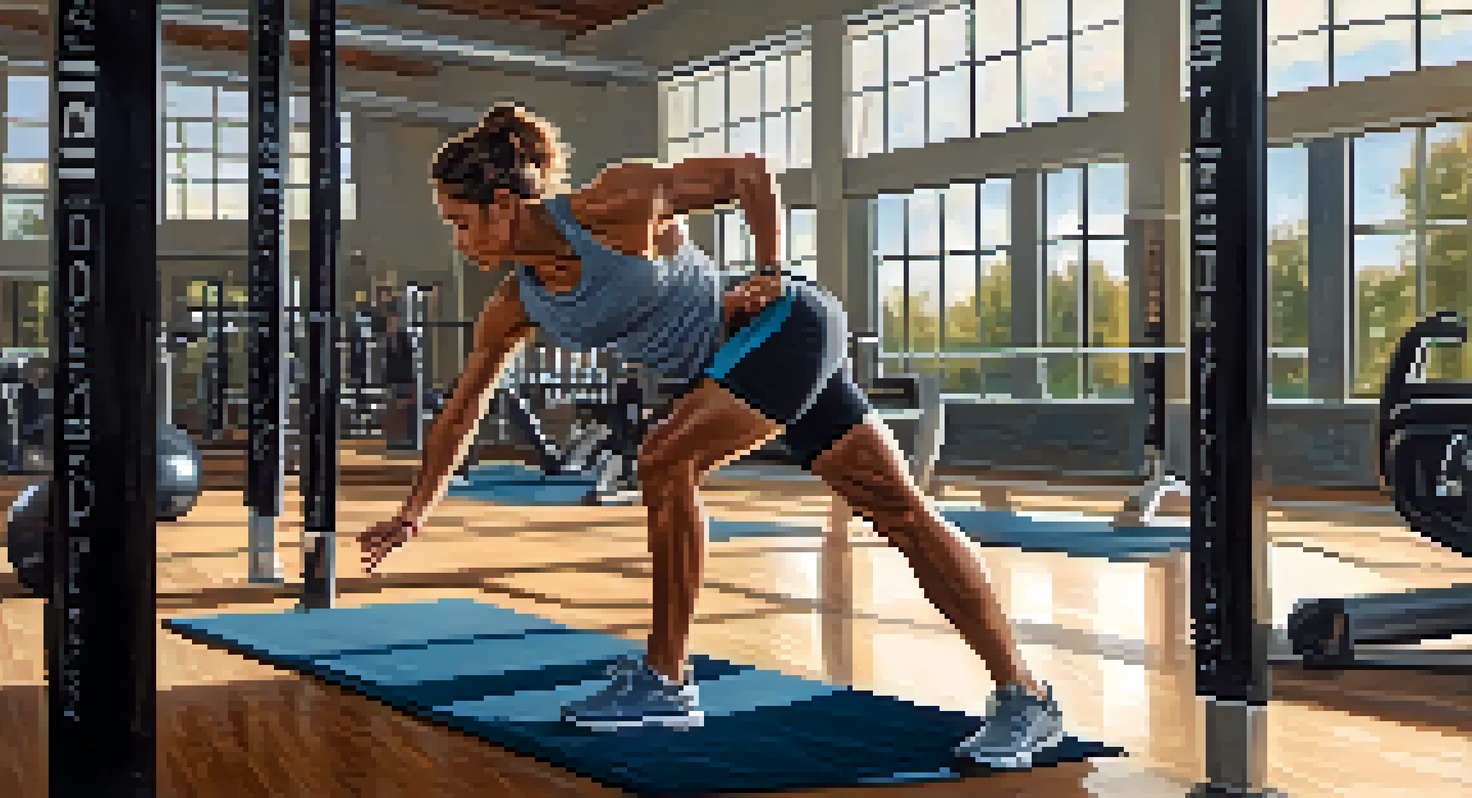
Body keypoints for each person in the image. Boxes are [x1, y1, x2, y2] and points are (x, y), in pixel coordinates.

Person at [360, 103, 1064, 769]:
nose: (457, 240)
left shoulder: (612, 205)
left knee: (664, 459)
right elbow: (461, 408)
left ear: (505, 206)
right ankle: (1026, 696)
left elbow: (747, 174)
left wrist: (767, 267)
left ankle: (666, 681)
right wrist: (417, 509)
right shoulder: (515, 304)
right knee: (902, 513)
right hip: (752, 370)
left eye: (461, 221)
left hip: (782, 327)